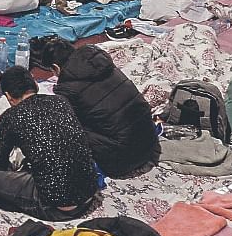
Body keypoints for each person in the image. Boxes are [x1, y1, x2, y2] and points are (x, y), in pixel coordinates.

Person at [0, 67, 97, 220]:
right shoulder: (61, 101)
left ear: (8, 96)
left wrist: (2, 138)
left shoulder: (10, 117)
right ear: (35, 85)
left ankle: (1, 200)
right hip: (89, 193)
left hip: (56, 205)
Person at [45, 41, 159, 179]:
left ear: (56, 68)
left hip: (123, 160)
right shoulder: (103, 64)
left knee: (62, 127)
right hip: (150, 143)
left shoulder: (67, 88)